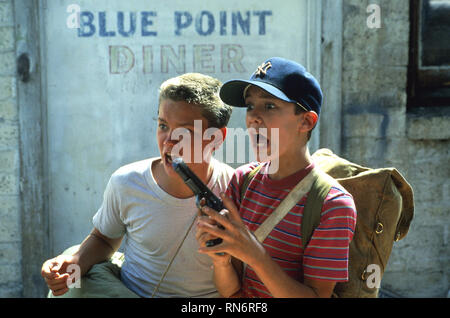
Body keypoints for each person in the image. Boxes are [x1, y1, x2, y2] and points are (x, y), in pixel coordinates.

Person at [41, 73, 234, 298]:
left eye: (185, 132)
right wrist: (72, 267)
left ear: (216, 138)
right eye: (163, 125)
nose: (169, 140)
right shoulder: (127, 181)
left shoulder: (234, 190)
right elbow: (103, 239)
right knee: (73, 266)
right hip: (130, 293)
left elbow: (238, 281)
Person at [195, 57, 357, 298]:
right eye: (250, 106)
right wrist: (222, 261)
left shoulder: (331, 206)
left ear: (306, 121)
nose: (253, 118)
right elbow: (232, 292)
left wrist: (255, 255)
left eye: (269, 106)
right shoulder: (242, 181)